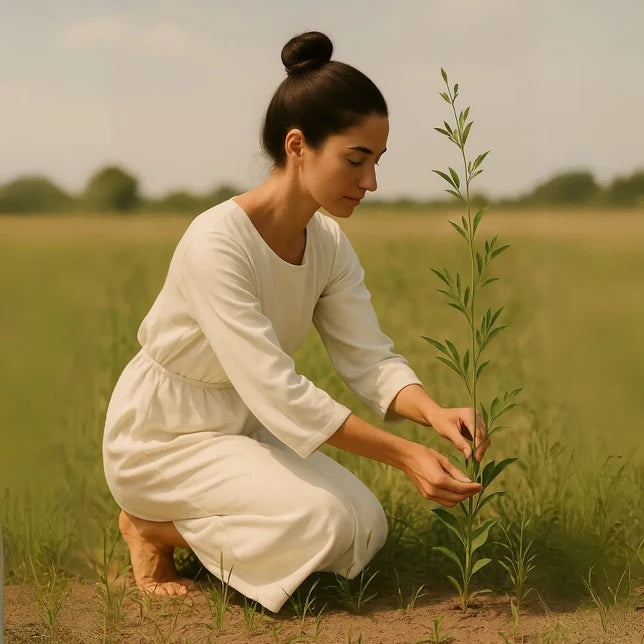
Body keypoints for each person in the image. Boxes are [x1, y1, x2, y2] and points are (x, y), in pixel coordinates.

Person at [102, 30, 490, 614]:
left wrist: (433, 414)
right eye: (355, 159)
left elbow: (369, 357)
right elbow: (276, 392)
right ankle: (149, 526)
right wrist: (405, 455)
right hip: (162, 438)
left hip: (240, 429)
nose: (371, 182)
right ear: (298, 145)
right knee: (322, 524)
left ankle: (191, 528)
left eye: (377, 161)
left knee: (364, 525)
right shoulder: (217, 243)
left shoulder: (327, 243)